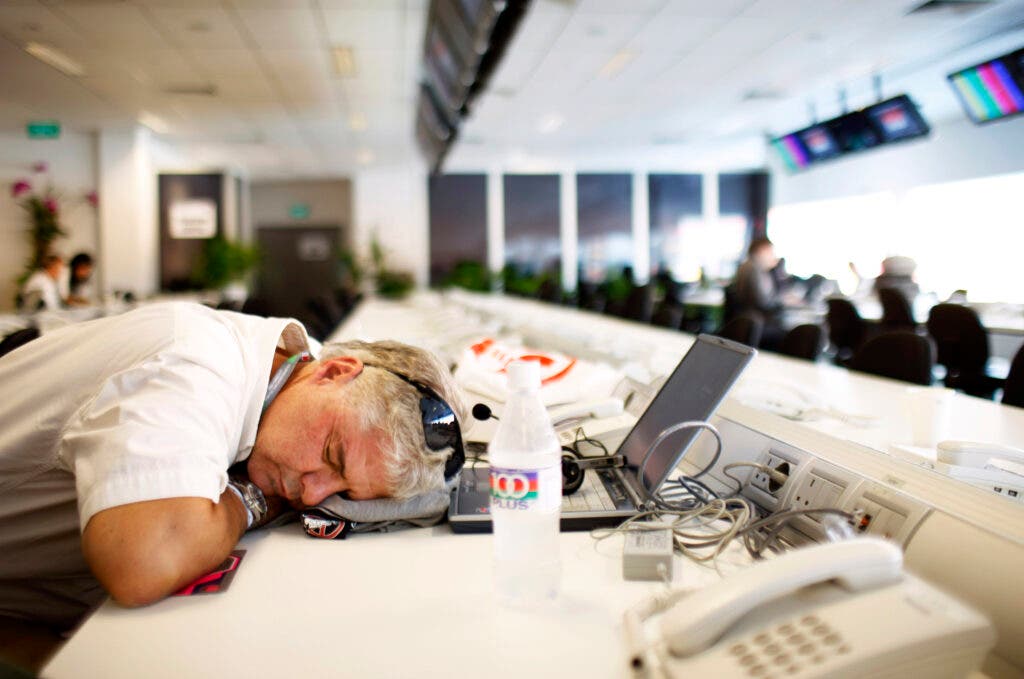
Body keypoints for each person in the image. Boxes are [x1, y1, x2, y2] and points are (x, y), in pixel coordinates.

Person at [0, 302, 467, 669]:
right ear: (334, 372)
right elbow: (143, 560)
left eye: (343, 490)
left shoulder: (303, 372)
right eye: (330, 455)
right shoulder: (193, 366)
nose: (311, 493)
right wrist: (251, 499)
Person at [730, 238, 789, 348]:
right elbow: (763, 302)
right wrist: (783, 300)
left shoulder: (750, 266)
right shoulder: (754, 268)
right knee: (787, 331)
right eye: (770, 252)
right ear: (761, 251)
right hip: (755, 321)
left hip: (750, 320)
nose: (773, 256)